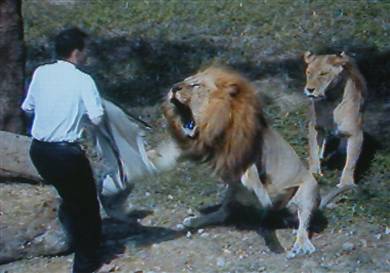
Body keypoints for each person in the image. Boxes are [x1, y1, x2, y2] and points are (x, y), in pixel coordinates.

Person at [21, 27, 104, 273]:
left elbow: (28, 107)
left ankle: (74, 239)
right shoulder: (83, 80)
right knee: (87, 207)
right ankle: (85, 263)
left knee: (72, 197)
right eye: (85, 50)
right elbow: (97, 117)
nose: (87, 54)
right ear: (76, 52)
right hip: (65, 154)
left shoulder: (41, 73)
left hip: (38, 151)